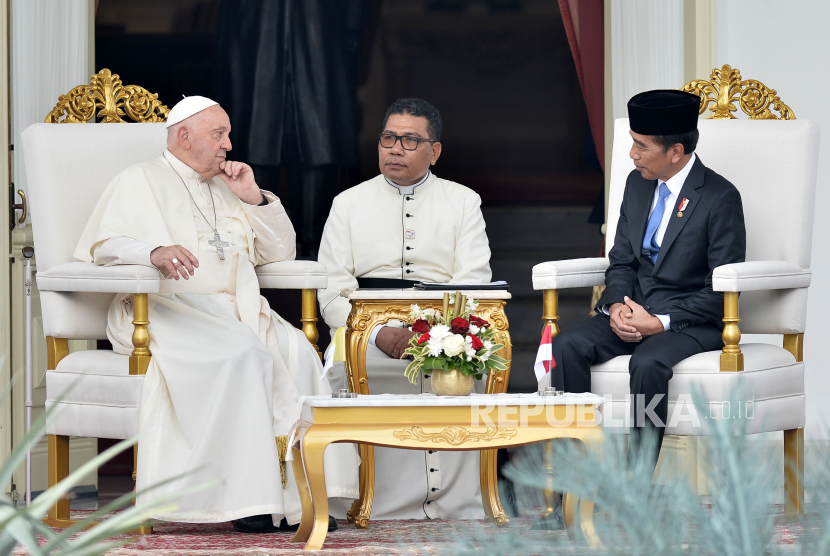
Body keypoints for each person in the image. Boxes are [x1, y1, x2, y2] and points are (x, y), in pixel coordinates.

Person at [74, 96, 359, 533]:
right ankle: (245, 501)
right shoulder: (139, 179)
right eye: (218, 134)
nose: (228, 144)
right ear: (183, 136)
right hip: (162, 310)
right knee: (243, 356)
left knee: (298, 352)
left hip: (236, 309)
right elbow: (105, 246)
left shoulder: (230, 185)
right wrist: (152, 251)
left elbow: (280, 251)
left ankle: (298, 501)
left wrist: (252, 196)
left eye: (227, 134)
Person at [548, 89, 746, 465]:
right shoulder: (637, 184)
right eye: (632, 144)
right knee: (567, 345)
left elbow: (720, 288)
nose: (631, 155)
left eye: (641, 146)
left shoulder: (720, 197)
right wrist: (616, 306)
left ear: (676, 151)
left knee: (648, 363)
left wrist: (661, 322)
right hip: (633, 309)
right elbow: (621, 261)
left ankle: (636, 488)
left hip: (690, 321)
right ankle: (573, 486)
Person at [317, 98, 492, 519]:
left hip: (444, 322)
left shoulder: (463, 201)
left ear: (434, 151)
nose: (395, 148)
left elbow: (473, 281)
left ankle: (452, 501)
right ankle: (363, 500)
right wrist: (379, 332)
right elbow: (332, 292)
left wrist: (438, 333)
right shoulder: (348, 203)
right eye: (389, 138)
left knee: (470, 369)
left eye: (410, 140)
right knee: (340, 368)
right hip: (364, 324)